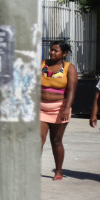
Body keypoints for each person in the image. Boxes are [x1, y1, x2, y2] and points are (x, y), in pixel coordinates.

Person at [40, 40, 78, 181]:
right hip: (40, 108)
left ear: (64, 53)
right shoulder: (42, 64)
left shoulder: (69, 68)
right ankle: (32, 169)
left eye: (56, 51)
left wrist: (67, 108)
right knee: (38, 140)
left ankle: (59, 170)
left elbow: (72, 91)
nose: (52, 52)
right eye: (51, 50)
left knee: (56, 140)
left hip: (59, 108)